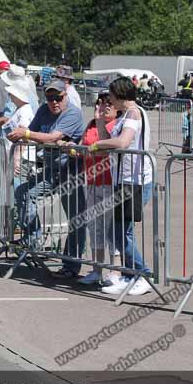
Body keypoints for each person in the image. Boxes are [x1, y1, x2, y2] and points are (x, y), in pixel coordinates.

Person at [8, 79, 87, 279]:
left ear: (66, 95)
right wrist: (19, 137)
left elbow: (52, 137)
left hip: (72, 172)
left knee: (76, 220)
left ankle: (72, 265)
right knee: (24, 193)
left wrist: (25, 133)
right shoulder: (43, 110)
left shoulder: (73, 113)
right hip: (52, 170)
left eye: (58, 97)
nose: (54, 102)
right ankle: (33, 243)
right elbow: (31, 132)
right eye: (50, 98)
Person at [90, 77, 153, 296]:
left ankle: (143, 274)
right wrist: (99, 122)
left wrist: (96, 145)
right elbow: (111, 140)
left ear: (119, 95)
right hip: (123, 179)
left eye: (111, 96)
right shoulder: (125, 116)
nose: (109, 101)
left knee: (120, 232)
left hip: (134, 180)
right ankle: (130, 274)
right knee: (118, 231)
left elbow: (122, 143)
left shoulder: (134, 114)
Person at [68, 92, 121, 287]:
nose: (102, 107)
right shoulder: (91, 124)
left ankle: (115, 271)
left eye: (108, 103)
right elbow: (84, 146)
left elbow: (108, 147)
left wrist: (100, 123)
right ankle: (97, 269)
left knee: (111, 229)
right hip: (91, 180)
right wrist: (72, 148)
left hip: (109, 181)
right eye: (100, 103)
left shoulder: (115, 127)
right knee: (94, 226)